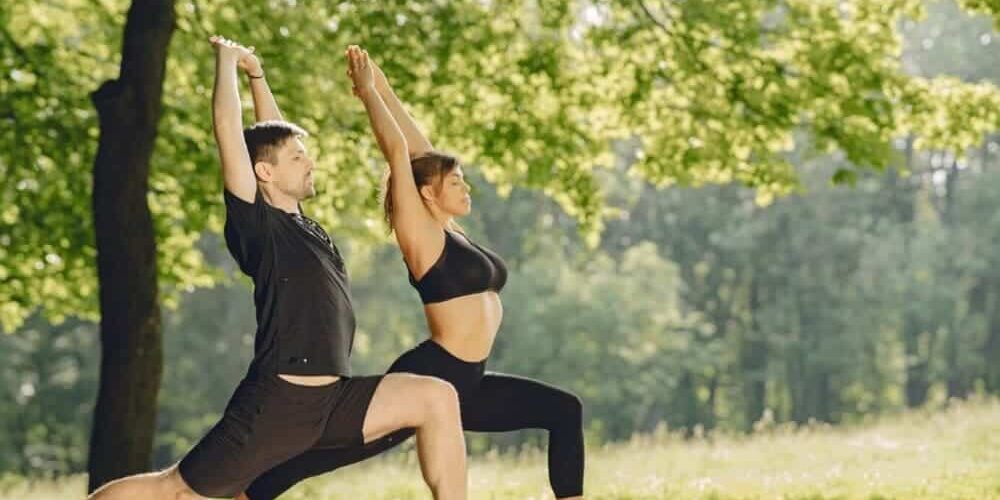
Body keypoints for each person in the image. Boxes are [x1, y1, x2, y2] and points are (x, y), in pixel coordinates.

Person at [87, 37, 468, 500]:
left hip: (333, 398)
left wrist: (258, 75)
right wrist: (227, 61)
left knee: (436, 397)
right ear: (265, 174)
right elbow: (230, 132)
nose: (310, 161)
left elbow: (272, 135)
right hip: (279, 402)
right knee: (175, 490)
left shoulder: (300, 222)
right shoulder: (260, 227)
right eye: (298, 158)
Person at [240, 45, 585, 500]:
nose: (465, 187)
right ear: (426, 193)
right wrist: (368, 97)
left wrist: (379, 84)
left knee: (564, 411)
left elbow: (422, 152)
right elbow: (399, 152)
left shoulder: (451, 229)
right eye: (455, 182)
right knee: (325, 452)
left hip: (469, 379)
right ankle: (246, 491)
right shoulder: (420, 232)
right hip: (432, 373)